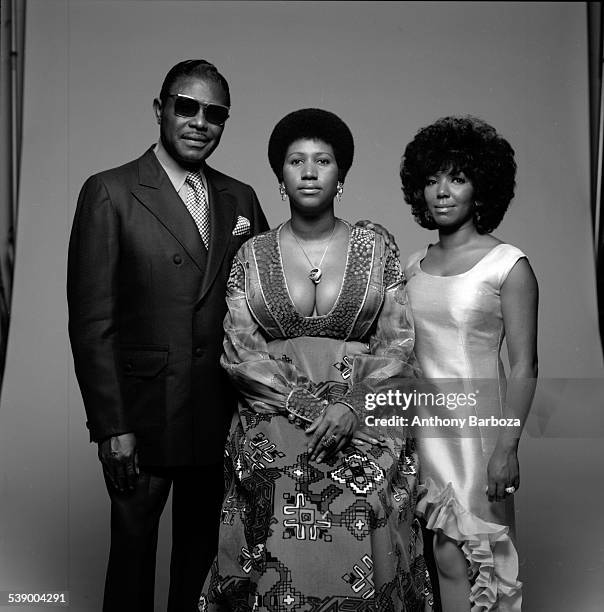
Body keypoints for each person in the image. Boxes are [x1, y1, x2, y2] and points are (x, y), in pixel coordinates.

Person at [199, 108, 429, 611]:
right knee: (274, 496)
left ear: (340, 175)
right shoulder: (251, 255)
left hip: (364, 416)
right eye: (295, 161)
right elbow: (240, 353)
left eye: (322, 160)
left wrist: (349, 407)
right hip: (273, 418)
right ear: (279, 177)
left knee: (368, 503)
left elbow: (398, 346)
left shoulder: (376, 245)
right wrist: (304, 404)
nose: (308, 171)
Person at [67, 60, 270, 611]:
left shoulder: (241, 198)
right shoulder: (110, 192)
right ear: (161, 110)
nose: (200, 122)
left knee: (204, 573)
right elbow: (92, 323)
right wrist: (112, 425)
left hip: (218, 415)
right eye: (187, 106)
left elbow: (263, 304)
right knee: (131, 569)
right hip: (143, 417)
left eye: (215, 113)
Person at [400, 116, 538, 611]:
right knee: (441, 558)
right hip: (424, 433)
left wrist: (508, 447)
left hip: (478, 436)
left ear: (482, 188)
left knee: (481, 556)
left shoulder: (507, 265)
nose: (441, 191)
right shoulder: (412, 267)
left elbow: (524, 366)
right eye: (433, 178)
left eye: (457, 178)